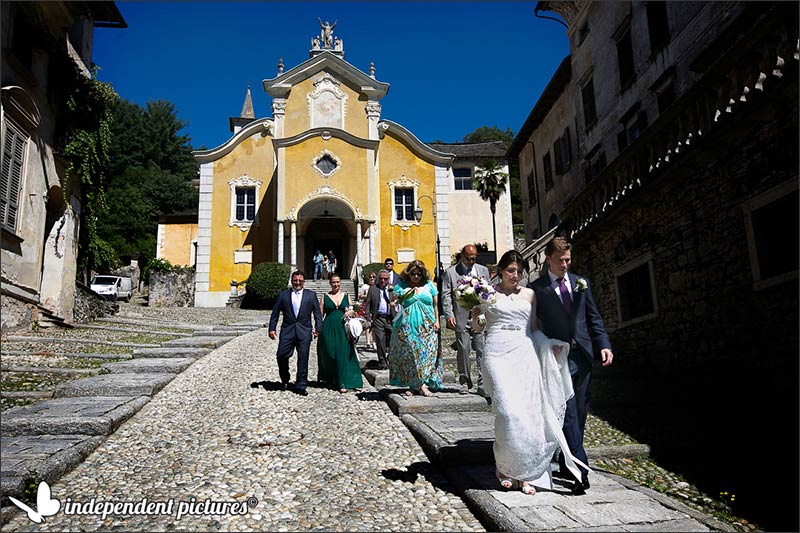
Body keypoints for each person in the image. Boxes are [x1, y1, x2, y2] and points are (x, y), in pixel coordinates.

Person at [473, 250, 587, 495]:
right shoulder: (487, 294)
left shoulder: (530, 294)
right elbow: (478, 326)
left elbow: (533, 328)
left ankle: (525, 472)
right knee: (507, 412)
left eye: (519, 271)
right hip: (497, 353)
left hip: (524, 354)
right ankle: (504, 468)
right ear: (500, 271)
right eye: (511, 271)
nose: (515, 276)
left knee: (527, 415)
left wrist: (549, 345)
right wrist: (476, 315)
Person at [528, 237, 613, 495]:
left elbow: (593, 317)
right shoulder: (537, 289)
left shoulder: (580, 283)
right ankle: (580, 470)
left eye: (568, 260)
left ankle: (567, 462)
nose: (566, 265)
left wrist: (604, 344)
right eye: (561, 260)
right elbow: (534, 326)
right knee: (569, 414)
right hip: (557, 358)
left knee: (579, 411)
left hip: (583, 356)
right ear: (549, 259)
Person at [388, 260, 442, 396]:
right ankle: (416, 385)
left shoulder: (429, 285)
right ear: (409, 273)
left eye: (418, 274)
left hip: (427, 326)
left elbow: (436, 305)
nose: (416, 276)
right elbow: (393, 302)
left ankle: (421, 384)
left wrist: (437, 321)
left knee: (427, 355)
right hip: (407, 326)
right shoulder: (401, 286)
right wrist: (395, 304)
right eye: (413, 274)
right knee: (411, 355)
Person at [442, 244, 489, 395]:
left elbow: (488, 291)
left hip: (479, 315)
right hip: (461, 317)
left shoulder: (483, 270)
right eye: (469, 258)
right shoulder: (451, 273)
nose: (471, 261)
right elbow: (446, 296)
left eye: (474, 258)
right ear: (462, 256)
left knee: (481, 349)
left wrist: (485, 306)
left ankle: (482, 382)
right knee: (463, 349)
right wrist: (449, 314)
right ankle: (465, 381)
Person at [268, 271, 323, 396]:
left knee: (303, 359)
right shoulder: (283, 295)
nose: (297, 283)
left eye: (300, 281)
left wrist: (318, 328)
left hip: (304, 331)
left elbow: (317, 314)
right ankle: (285, 378)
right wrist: (272, 328)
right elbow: (275, 313)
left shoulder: (311, 295)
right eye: (295, 280)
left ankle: (301, 385)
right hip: (287, 331)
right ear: (292, 281)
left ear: (304, 282)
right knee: (281, 356)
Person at [316, 274, 363, 393]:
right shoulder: (325, 296)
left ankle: (343, 382)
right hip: (328, 328)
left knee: (343, 354)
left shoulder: (346, 296)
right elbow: (319, 315)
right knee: (330, 353)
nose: (336, 284)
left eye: (337, 282)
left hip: (342, 329)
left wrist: (351, 312)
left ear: (340, 282)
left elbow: (354, 312)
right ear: (330, 283)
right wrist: (317, 329)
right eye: (333, 282)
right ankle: (332, 379)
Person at [364, 270, 394, 369]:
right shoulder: (373, 289)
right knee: (380, 341)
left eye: (385, 279)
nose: (383, 281)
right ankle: (382, 363)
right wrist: (368, 317)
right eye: (381, 278)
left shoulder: (392, 289)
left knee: (393, 340)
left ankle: (390, 359)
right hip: (378, 318)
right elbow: (367, 304)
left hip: (390, 318)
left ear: (388, 279)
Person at [358, 272, 377, 350]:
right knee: (367, 324)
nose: (372, 278)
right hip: (366, 307)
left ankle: (374, 342)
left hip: (375, 307)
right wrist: (366, 296)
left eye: (373, 277)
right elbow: (360, 296)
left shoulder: (377, 287)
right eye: (370, 277)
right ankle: (368, 342)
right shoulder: (365, 287)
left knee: (375, 326)